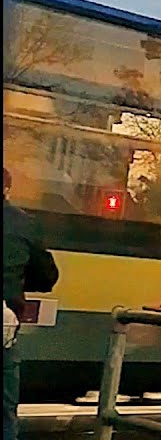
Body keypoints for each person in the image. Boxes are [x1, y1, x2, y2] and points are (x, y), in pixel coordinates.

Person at [4, 168, 61, 440]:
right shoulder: (22, 223)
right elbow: (47, 275)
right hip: (3, 316)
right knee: (4, 406)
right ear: (6, 190)